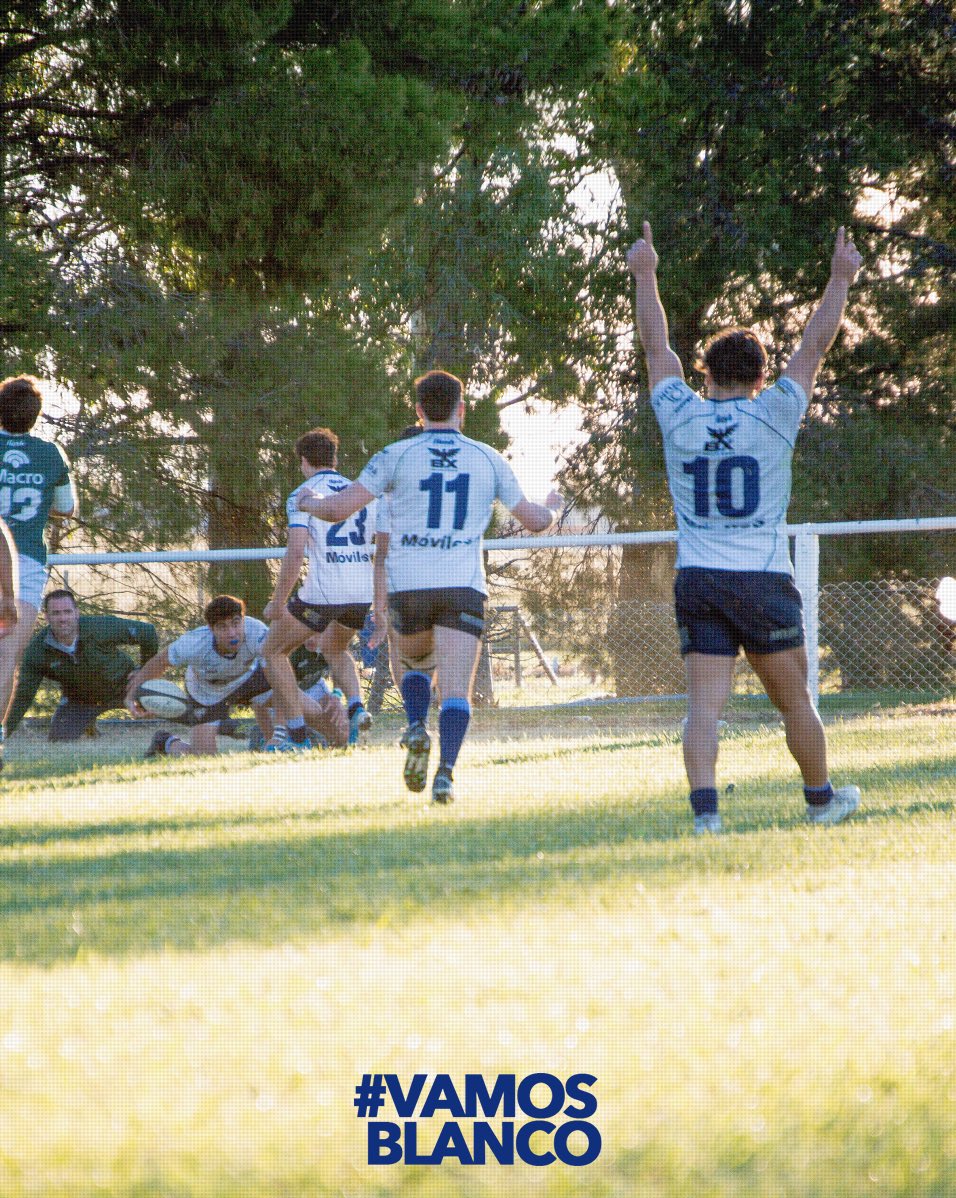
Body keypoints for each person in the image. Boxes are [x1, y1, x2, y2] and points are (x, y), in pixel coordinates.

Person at [627, 221, 864, 834]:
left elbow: (657, 350)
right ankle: (820, 801)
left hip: (698, 576)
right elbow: (813, 347)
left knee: (703, 709)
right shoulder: (778, 413)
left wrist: (646, 274)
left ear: (704, 376)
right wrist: (839, 279)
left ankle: (706, 817)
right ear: (762, 378)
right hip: (760, 578)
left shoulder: (679, 413)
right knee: (794, 703)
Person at [298, 369, 563, 804]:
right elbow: (533, 520)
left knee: (417, 667)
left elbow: (339, 509)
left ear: (419, 411)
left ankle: (417, 724)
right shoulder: (486, 457)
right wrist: (551, 508)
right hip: (462, 586)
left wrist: (308, 501)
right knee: (456, 690)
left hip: (411, 589)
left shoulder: (395, 455)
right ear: (462, 409)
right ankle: (445, 774)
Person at [260, 428, 374, 752]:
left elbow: (296, 553)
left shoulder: (303, 494)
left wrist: (278, 602)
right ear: (335, 458)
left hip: (325, 592)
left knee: (271, 652)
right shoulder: (360, 491)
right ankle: (356, 706)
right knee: (335, 649)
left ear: (303, 462)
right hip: (361, 591)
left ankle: (296, 738)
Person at [125, 594, 347, 758]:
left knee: (312, 710)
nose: (232, 632)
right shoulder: (194, 643)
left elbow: (279, 673)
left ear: (243, 619)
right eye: (222, 627)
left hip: (249, 679)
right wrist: (133, 695)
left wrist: (279, 731)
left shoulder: (256, 631)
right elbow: (158, 663)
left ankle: (339, 747)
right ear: (211, 629)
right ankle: (165, 742)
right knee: (204, 759)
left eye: (235, 623)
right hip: (208, 693)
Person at [0, 375, 77, 767]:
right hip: (26, 561)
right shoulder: (50, 453)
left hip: (17, 558)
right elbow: (66, 507)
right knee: (5, 655)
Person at [6, 589, 159, 740]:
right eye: (56, 613)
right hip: (80, 700)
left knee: (169, 706)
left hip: (126, 686)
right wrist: (2, 734)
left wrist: (144, 672)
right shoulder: (37, 651)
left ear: (77, 613)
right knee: (59, 740)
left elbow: (148, 632)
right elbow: (21, 697)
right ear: (46, 616)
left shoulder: (99, 627)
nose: (62, 618)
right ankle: (86, 725)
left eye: (67, 612)